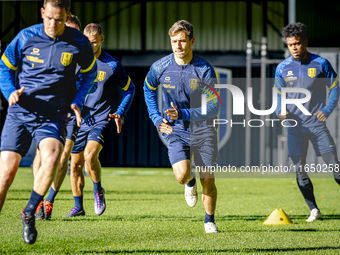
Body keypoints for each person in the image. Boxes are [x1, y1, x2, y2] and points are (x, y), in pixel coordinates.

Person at [0, 0, 97, 244]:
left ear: (67, 16)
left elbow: (89, 74)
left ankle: (29, 211)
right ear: (42, 13)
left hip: (53, 114)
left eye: (60, 19)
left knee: (53, 158)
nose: (54, 24)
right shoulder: (25, 37)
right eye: (49, 18)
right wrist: (9, 90)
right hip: (21, 110)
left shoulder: (79, 42)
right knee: (5, 177)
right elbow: (4, 67)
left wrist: (77, 99)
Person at [144, 20, 219, 233]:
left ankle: (209, 220)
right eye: (174, 41)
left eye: (183, 41)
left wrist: (184, 113)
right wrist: (157, 119)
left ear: (192, 41)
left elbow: (213, 106)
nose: (178, 45)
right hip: (176, 130)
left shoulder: (204, 69)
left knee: (208, 180)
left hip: (204, 130)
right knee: (181, 175)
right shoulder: (160, 67)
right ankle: (189, 182)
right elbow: (147, 89)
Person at [63, 23, 135, 217]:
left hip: (102, 119)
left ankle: (98, 192)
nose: (90, 46)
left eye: (94, 43)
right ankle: (78, 207)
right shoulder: (75, 62)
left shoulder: (112, 65)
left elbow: (130, 88)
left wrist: (120, 111)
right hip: (80, 120)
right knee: (75, 165)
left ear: (101, 40)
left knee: (89, 156)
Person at [275, 22, 340, 222]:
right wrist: (280, 111)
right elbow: (279, 96)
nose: (293, 48)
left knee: (335, 168)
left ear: (305, 42)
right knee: (300, 170)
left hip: (317, 126)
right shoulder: (282, 68)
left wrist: (327, 110)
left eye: (297, 44)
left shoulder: (321, 64)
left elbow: (335, 88)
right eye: (290, 45)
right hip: (295, 128)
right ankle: (314, 210)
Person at [33, 14, 82, 221]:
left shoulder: (84, 54)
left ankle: (49, 201)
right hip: (48, 110)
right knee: (40, 157)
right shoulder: (47, 51)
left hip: (72, 112)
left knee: (63, 157)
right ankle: (38, 201)